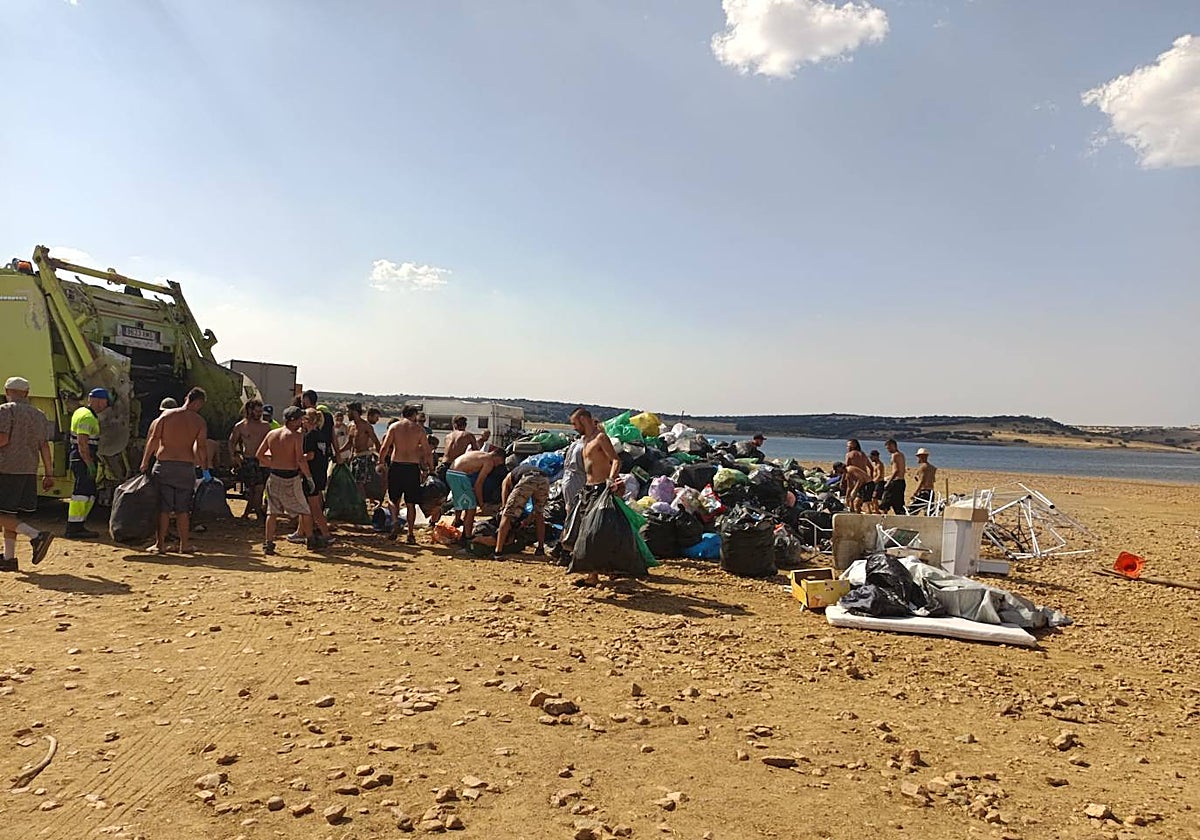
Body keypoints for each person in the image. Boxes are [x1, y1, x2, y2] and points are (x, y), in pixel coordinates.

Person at [139, 387, 210, 554]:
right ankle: (184, 545)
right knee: (183, 509)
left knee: (163, 509)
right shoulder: (199, 422)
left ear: (186, 397)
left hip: (164, 466)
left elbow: (154, 440)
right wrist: (205, 468)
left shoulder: (166, 416)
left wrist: (144, 462)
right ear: (199, 403)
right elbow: (201, 447)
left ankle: (160, 545)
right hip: (185, 468)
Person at [562, 408, 623, 587]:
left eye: (575, 423)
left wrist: (611, 480)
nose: (574, 427)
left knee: (595, 532)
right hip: (587, 489)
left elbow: (616, 460)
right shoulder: (584, 440)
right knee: (583, 531)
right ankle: (593, 574)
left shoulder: (600, 438)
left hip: (600, 489)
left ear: (583, 419)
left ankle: (604, 571)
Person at [0, 377, 55, 570]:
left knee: (2, 514)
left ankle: (36, 535)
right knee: (9, 514)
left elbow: (3, 439)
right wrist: (49, 473)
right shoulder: (39, 414)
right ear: (27, 393)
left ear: (7, 390)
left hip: (6, 468)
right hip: (29, 469)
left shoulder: (6, 410)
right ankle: (8, 559)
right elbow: (44, 446)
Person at [255, 406, 315, 555]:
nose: (302, 421)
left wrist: (274, 463)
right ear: (293, 420)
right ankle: (311, 540)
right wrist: (309, 477)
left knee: (272, 511)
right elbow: (300, 459)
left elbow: (259, 455)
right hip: (291, 477)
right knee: (304, 509)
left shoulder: (272, 434)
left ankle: (268, 544)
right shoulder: (295, 436)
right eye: (300, 418)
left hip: (274, 475)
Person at [377, 405, 433, 544]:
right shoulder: (419, 429)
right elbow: (427, 451)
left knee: (392, 499)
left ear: (403, 414)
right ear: (414, 415)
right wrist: (430, 468)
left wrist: (380, 462)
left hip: (397, 465)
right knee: (411, 503)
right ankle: (410, 533)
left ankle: (395, 521)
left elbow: (385, 447)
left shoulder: (395, 427)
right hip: (412, 468)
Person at [65, 387, 109, 539]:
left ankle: (79, 524)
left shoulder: (80, 411)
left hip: (80, 457)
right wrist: (89, 463)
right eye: (105, 401)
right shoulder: (87, 417)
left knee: (89, 492)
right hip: (82, 458)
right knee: (82, 493)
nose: (106, 405)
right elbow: (82, 443)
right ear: (98, 400)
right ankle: (74, 527)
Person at [446, 447, 505, 547]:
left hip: (451, 473)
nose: (498, 465)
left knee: (462, 502)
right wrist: (481, 504)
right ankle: (467, 537)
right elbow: (479, 484)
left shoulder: (479, 454)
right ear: (498, 457)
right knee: (471, 508)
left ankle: (458, 521)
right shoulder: (489, 462)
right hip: (459, 475)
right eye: (499, 463)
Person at [493, 460, 551, 558]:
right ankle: (540, 548)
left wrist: (503, 508)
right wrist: (527, 520)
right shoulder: (522, 470)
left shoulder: (509, 477)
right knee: (539, 514)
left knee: (507, 515)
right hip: (544, 479)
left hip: (528, 478)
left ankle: (498, 551)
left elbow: (505, 489)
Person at [228, 399, 272, 520]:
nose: (259, 414)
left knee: (259, 489)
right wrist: (234, 456)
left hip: (263, 461)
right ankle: (256, 513)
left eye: (260, 411)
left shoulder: (266, 426)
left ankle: (248, 513)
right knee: (254, 489)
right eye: (257, 411)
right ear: (250, 411)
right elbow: (232, 442)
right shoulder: (241, 426)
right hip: (249, 461)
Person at [297, 408, 334, 548]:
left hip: (311, 474)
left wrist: (298, 459)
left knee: (314, 507)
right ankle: (301, 532)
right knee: (309, 505)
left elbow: (310, 455)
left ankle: (326, 535)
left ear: (307, 421)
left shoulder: (310, 436)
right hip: (320, 473)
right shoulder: (322, 435)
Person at [345, 402, 381, 498]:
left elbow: (376, 442)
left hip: (364, 457)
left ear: (355, 412)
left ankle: (362, 506)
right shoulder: (351, 426)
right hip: (354, 458)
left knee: (359, 484)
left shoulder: (366, 426)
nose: (347, 414)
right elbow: (349, 444)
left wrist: (381, 460)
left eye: (349, 412)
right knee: (353, 483)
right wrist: (337, 452)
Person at [878, 438, 907, 515]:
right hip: (901, 481)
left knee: (885, 503)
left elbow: (896, 470)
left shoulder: (895, 455)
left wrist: (889, 481)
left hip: (895, 482)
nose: (888, 450)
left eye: (889, 448)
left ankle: (884, 519)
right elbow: (902, 470)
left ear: (893, 445)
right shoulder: (901, 455)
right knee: (898, 504)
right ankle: (901, 519)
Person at [845, 440, 873, 513]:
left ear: (854, 445)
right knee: (862, 502)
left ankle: (854, 512)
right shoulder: (863, 454)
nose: (847, 447)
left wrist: (844, 481)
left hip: (857, 479)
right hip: (866, 480)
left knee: (855, 500)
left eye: (849, 445)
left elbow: (847, 469)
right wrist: (871, 477)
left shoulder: (849, 454)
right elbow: (871, 467)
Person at [909, 448, 937, 515]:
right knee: (929, 512)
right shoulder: (932, 468)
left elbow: (922, 481)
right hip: (931, 492)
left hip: (924, 492)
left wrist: (915, 493)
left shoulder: (922, 467)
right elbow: (932, 480)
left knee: (912, 511)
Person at [866, 449, 885, 514]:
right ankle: (875, 509)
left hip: (879, 482)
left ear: (876, 456)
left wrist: (873, 482)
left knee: (875, 497)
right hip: (875, 482)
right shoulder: (874, 464)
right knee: (871, 497)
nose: (871, 459)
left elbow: (879, 475)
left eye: (871, 457)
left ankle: (877, 511)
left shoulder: (879, 464)